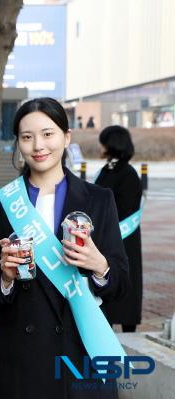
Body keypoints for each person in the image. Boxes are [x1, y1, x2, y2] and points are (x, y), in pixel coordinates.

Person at [0, 97, 129, 399]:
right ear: (17, 143)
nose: (38, 146)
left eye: (48, 134)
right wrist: (4, 277)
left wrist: (100, 266)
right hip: (21, 353)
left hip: (80, 348)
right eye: (27, 137)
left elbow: (121, 284)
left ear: (66, 137)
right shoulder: (1, 202)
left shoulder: (99, 199)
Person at [96, 125, 143, 333]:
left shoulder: (129, 173)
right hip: (107, 237)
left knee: (127, 279)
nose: (101, 146)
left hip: (126, 238)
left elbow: (125, 209)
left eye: (103, 142)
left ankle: (129, 325)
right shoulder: (106, 170)